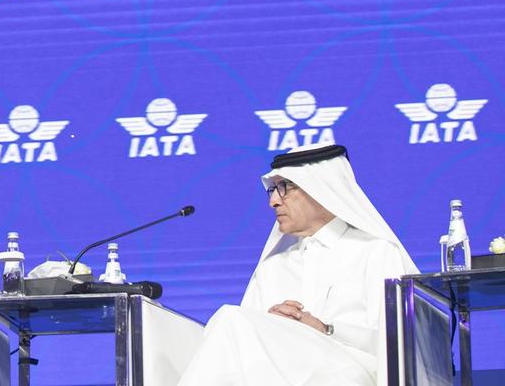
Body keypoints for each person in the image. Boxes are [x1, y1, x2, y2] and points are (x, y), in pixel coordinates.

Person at [176, 144, 416, 386]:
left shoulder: (375, 252)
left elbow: (401, 343)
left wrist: (326, 329)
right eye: (271, 190)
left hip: (354, 373)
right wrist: (272, 328)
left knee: (230, 320)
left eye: (284, 188)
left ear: (323, 189)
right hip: (281, 373)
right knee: (230, 327)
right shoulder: (272, 267)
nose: (273, 201)